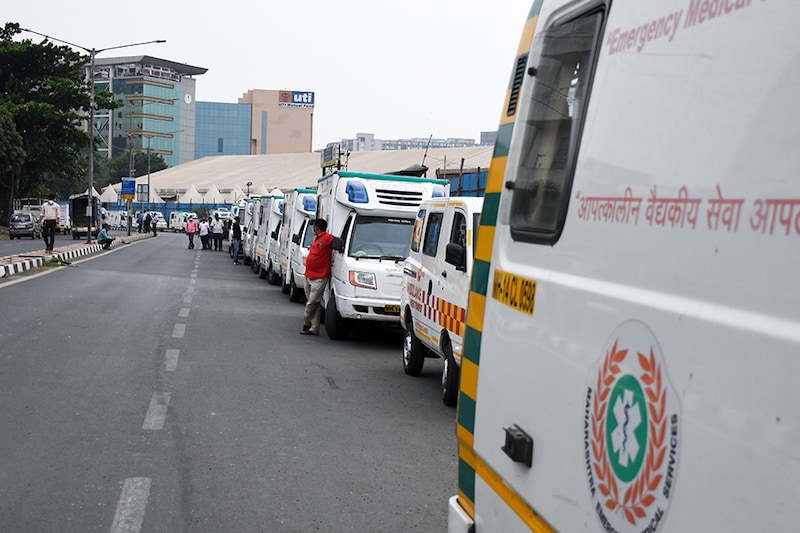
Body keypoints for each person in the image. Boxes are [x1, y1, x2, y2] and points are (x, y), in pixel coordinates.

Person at [301, 218, 335, 336]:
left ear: (317, 227)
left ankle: (306, 322)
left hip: (320, 276)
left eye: (314, 226)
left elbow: (338, 243)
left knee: (312, 302)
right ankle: (314, 328)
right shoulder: (316, 239)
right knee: (314, 304)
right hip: (309, 274)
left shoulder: (327, 238)